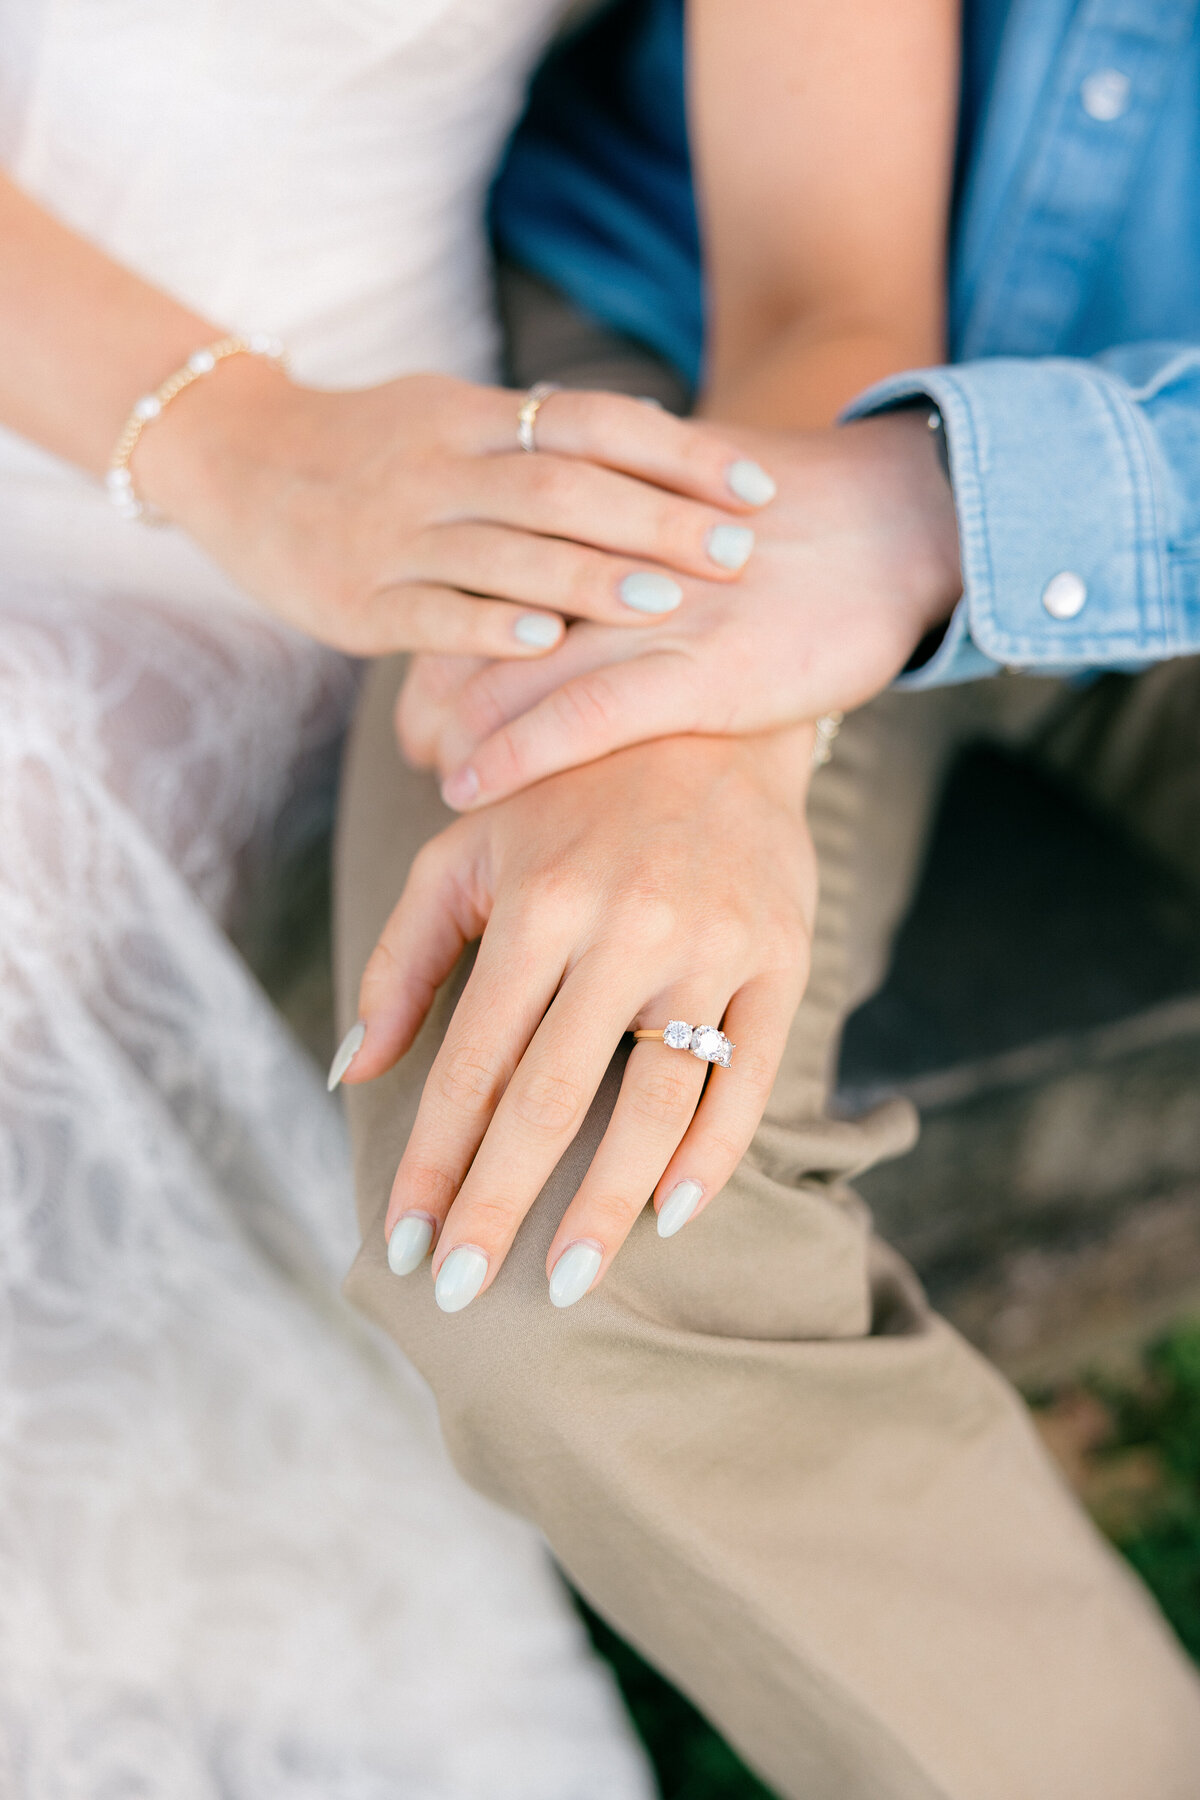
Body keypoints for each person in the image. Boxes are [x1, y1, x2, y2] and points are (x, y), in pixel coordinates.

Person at [333, 2, 1200, 1797]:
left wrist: (952, 510)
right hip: (697, 350)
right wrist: (713, 664)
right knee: (557, 1266)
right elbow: (819, 264)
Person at [0, 2, 785, 1790]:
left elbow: (827, 295)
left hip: (279, 530)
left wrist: (712, 707)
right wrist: (224, 435)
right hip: (238, 446)